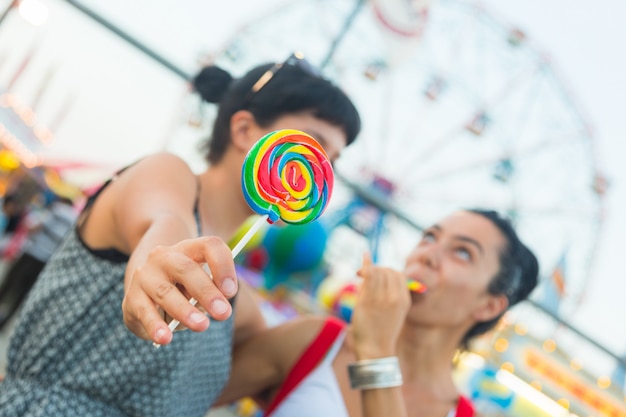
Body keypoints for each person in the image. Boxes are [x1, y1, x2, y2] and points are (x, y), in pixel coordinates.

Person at [0, 53, 361, 417]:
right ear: (244, 131)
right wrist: (158, 270)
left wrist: (385, 349)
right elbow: (163, 227)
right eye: (313, 144)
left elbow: (336, 372)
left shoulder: (238, 307)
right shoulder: (165, 174)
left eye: (334, 159)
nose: (320, 168)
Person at [214, 209, 539, 417]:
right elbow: (182, 396)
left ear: (489, 306)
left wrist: (376, 351)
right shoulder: (316, 342)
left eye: (463, 252)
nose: (427, 255)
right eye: (430, 237)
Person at [0, 197, 77, 330]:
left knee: (9, 285)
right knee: (22, 295)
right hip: (45, 263)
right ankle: (4, 323)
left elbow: (35, 227)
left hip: (32, 254)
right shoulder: (75, 220)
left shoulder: (57, 209)